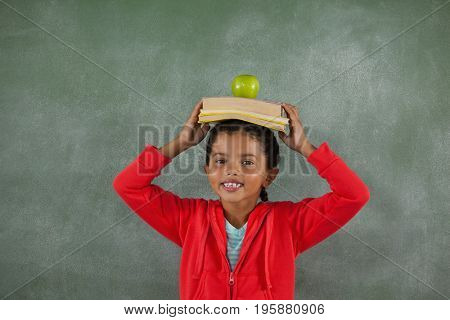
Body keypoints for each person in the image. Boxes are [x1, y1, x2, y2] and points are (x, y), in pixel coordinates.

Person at [112, 99, 370, 299]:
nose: (231, 170)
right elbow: (128, 186)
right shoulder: (189, 219)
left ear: (269, 176)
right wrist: (181, 142)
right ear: (208, 170)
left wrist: (305, 147)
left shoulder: (289, 223)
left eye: (247, 162)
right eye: (221, 160)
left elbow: (354, 195)